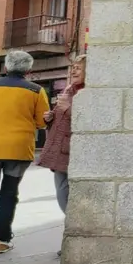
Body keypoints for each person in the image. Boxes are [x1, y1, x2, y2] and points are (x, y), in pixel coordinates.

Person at [0, 50, 49, 254]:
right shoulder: (35, 90)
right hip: (18, 148)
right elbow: (42, 121)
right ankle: (0, 239)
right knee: (9, 193)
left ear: (6, 67)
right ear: (29, 69)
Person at [39, 55, 87, 214]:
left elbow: (91, 121)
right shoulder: (68, 89)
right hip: (61, 147)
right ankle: (70, 221)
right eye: (73, 68)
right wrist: (50, 117)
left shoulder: (90, 93)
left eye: (78, 68)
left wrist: (67, 108)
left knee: (67, 191)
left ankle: (73, 223)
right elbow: (60, 116)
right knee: (61, 189)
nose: (73, 71)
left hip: (77, 150)